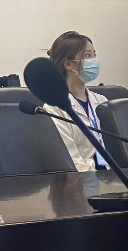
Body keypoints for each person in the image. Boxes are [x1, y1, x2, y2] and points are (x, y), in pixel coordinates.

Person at [45, 31, 109, 171]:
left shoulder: (102, 101)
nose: (94, 61)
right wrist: (103, 169)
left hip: (112, 175)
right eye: (88, 55)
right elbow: (70, 161)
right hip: (80, 179)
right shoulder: (53, 108)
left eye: (94, 54)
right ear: (68, 64)